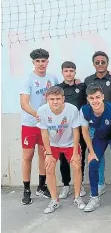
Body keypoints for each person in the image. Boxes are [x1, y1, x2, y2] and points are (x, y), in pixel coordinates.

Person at [84, 51, 111, 196]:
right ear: (93, 64)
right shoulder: (88, 80)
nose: (100, 64)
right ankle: (100, 184)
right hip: (96, 127)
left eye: (103, 62)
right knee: (98, 158)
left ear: (107, 63)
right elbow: (86, 101)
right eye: (97, 62)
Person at [37, 86, 86, 213]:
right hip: (52, 144)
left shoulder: (72, 109)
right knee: (49, 167)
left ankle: (77, 197)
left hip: (70, 143)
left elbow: (76, 131)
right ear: (47, 99)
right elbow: (44, 133)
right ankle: (54, 200)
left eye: (58, 98)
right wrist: (48, 153)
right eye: (52, 99)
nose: (55, 102)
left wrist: (75, 152)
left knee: (76, 166)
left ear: (63, 98)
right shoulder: (42, 111)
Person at [80, 84, 111, 213]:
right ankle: (94, 197)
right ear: (88, 99)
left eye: (97, 97)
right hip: (100, 137)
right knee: (93, 163)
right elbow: (85, 132)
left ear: (103, 97)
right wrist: (91, 151)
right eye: (92, 98)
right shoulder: (84, 110)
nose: (95, 101)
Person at [20, 48, 58, 204]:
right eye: (38, 61)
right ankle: (26, 189)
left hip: (46, 125)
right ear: (33, 63)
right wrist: (36, 114)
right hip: (30, 124)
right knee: (27, 156)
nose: (41, 64)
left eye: (44, 61)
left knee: (44, 156)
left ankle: (42, 186)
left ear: (47, 62)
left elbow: (58, 97)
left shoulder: (53, 78)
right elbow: (24, 103)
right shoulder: (28, 79)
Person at [57, 61, 87, 199]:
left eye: (71, 71)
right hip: (63, 130)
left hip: (80, 128)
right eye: (66, 71)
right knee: (63, 159)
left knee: (79, 158)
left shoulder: (82, 86)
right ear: (62, 72)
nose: (69, 73)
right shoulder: (57, 89)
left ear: (75, 72)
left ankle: (79, 186)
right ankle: (66, 186)